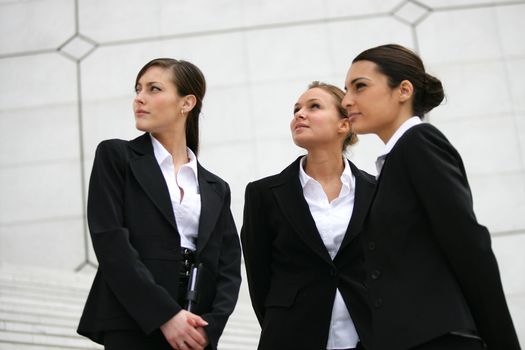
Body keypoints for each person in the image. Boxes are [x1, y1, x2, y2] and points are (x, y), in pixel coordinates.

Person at [341, 44, 521, 350]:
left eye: (360, 86)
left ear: (403, 90)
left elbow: (468, 244)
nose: (346, 100)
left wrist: (503, 343)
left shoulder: (419, 143)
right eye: (346, 89)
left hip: (440, 339)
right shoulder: (394, 160)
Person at [77, 58, 242, 350]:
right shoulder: (117, 156)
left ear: (187, 103)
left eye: (154, 89)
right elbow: (110, 241)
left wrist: (210, 328)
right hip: (132, 318)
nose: (139, 98)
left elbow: (228, 266)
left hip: (194, 326)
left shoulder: (216, 187)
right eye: (138, 89)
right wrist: (165, 315)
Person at [241, 82, 376, 350]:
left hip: (369, 336)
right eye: (296, 109)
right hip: (291, 337)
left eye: (314, 106)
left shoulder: (377, 190)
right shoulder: (264, 193)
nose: (299, 115)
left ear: (344, 125)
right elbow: (259, 278)